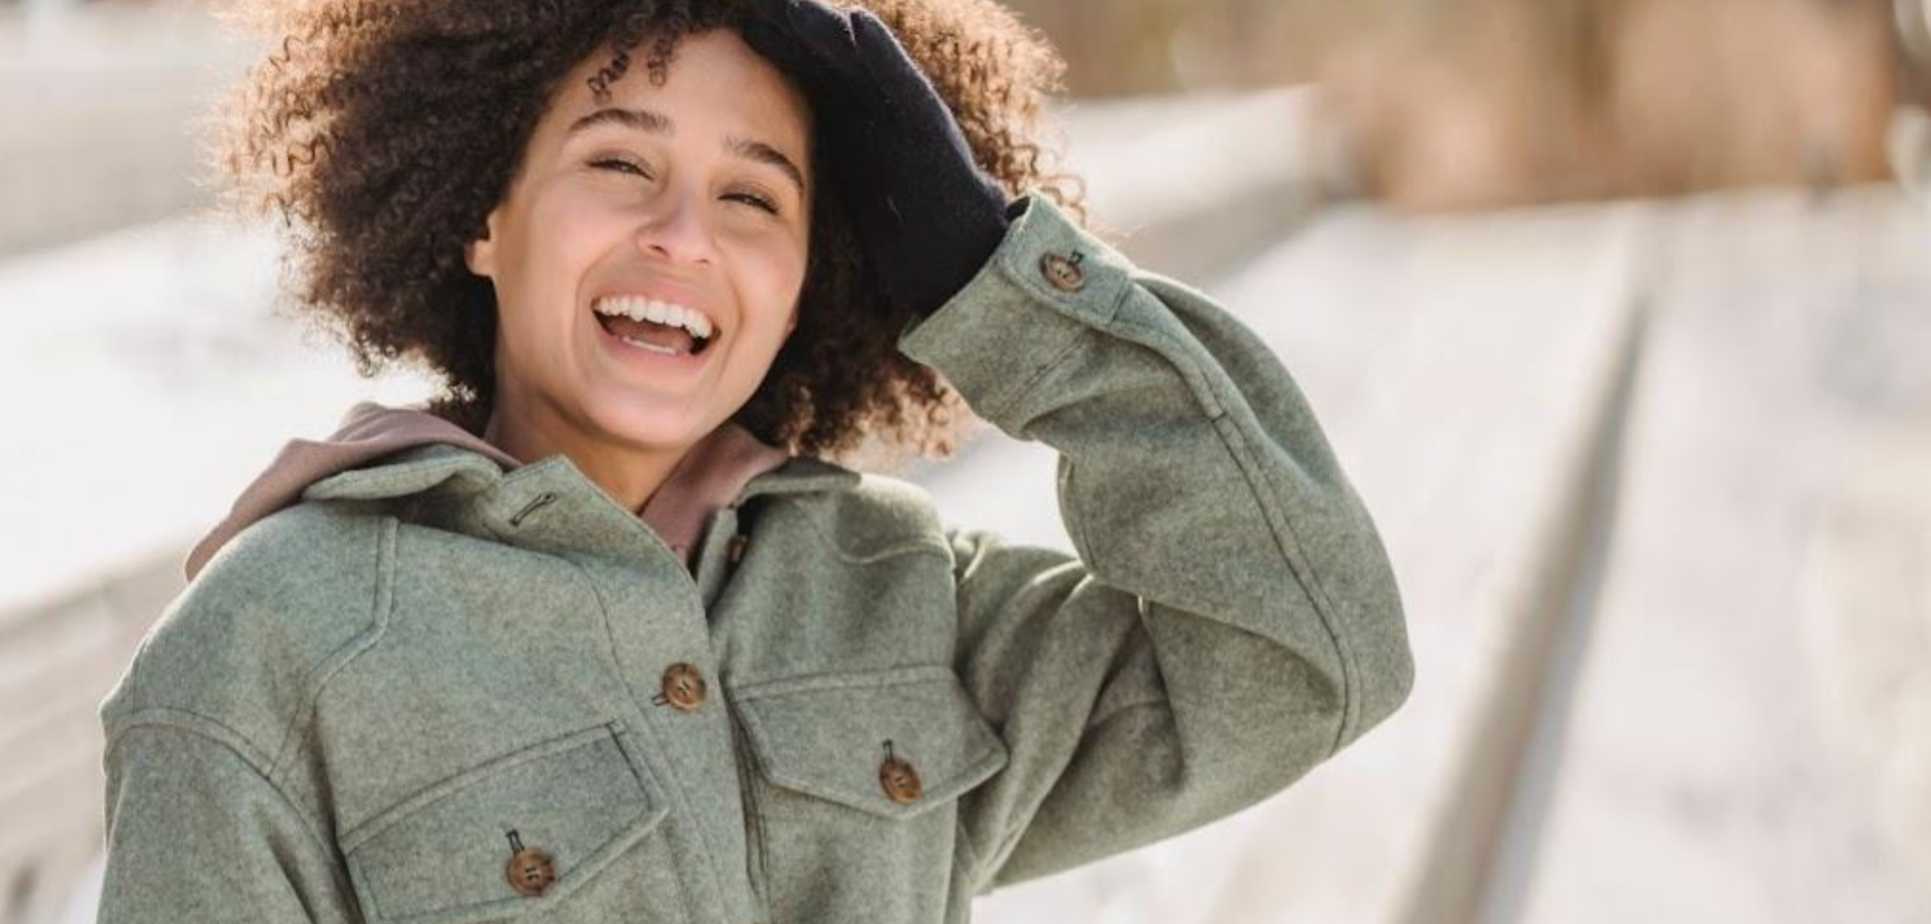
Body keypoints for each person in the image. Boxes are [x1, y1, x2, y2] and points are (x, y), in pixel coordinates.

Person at [94, 0, 1415, 921]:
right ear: (480, 219)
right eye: (620, 162)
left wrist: (993, 280)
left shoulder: (899, 596)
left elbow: (1307, 658)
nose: (686, 237)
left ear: (807, 281)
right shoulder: (267, 646)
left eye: (755, 195)